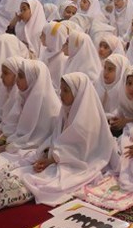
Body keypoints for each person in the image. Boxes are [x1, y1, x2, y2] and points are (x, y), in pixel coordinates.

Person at [16, 73, 118, 206]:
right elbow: (57, 137)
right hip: (62, 158)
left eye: (65, 91)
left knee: (46, 183)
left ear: (77, 93)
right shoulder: (66, 110)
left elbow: (80, 152)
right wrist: (47, 153)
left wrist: (52, 159)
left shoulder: (85, 120)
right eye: (61, 89)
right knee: (27, 171)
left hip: (83, 161)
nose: (61, 94)